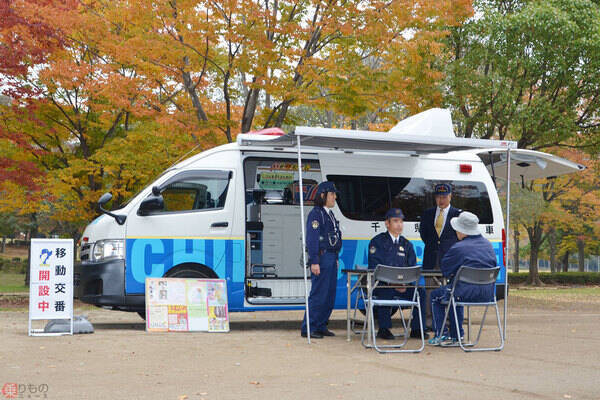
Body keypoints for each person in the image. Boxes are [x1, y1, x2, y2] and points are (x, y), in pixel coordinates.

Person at [428, 211, 497, 346]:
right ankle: (457, 335)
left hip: (463, 293)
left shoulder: (459, 248)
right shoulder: (488, 245)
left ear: (463, 231)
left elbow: (445, 270)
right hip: (487, 294)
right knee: (455, 291)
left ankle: (443, 335)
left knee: (438, 295)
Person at [367, 208, 429, 340]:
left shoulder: (407, 244)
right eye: (395, 221)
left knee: (420, 293)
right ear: (387, 224)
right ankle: (384, 329)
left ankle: (417, 329)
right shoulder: (377, 242)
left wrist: (405, 283)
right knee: (385, 290)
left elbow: (412, 268)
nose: (399, 224)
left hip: (403, 286)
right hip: (383, 285)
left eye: (401, 221)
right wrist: (392, 282)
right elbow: (375, 267)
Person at [301, 181, 342, 339]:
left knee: (329, 294)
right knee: (318, 293)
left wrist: (336, 257)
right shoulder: (316, 214)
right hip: (322, 257)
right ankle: (309, 327)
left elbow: (335, 237)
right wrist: (314, 261)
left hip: (331, 257)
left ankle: (321, 324)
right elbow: (312, 240)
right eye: (332, 194)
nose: (335, 197)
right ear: (323, 195)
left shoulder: (329, 214)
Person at [419, 183, 462, 270]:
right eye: (438, 197)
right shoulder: (427, 213)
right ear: (435, 197)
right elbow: (424, 234)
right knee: (430, 283)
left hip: (450, 260)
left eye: (444, 197)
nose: (441, 200)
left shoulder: (458, 214)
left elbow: (460, 237)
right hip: (430, 260)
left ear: (450, 196)